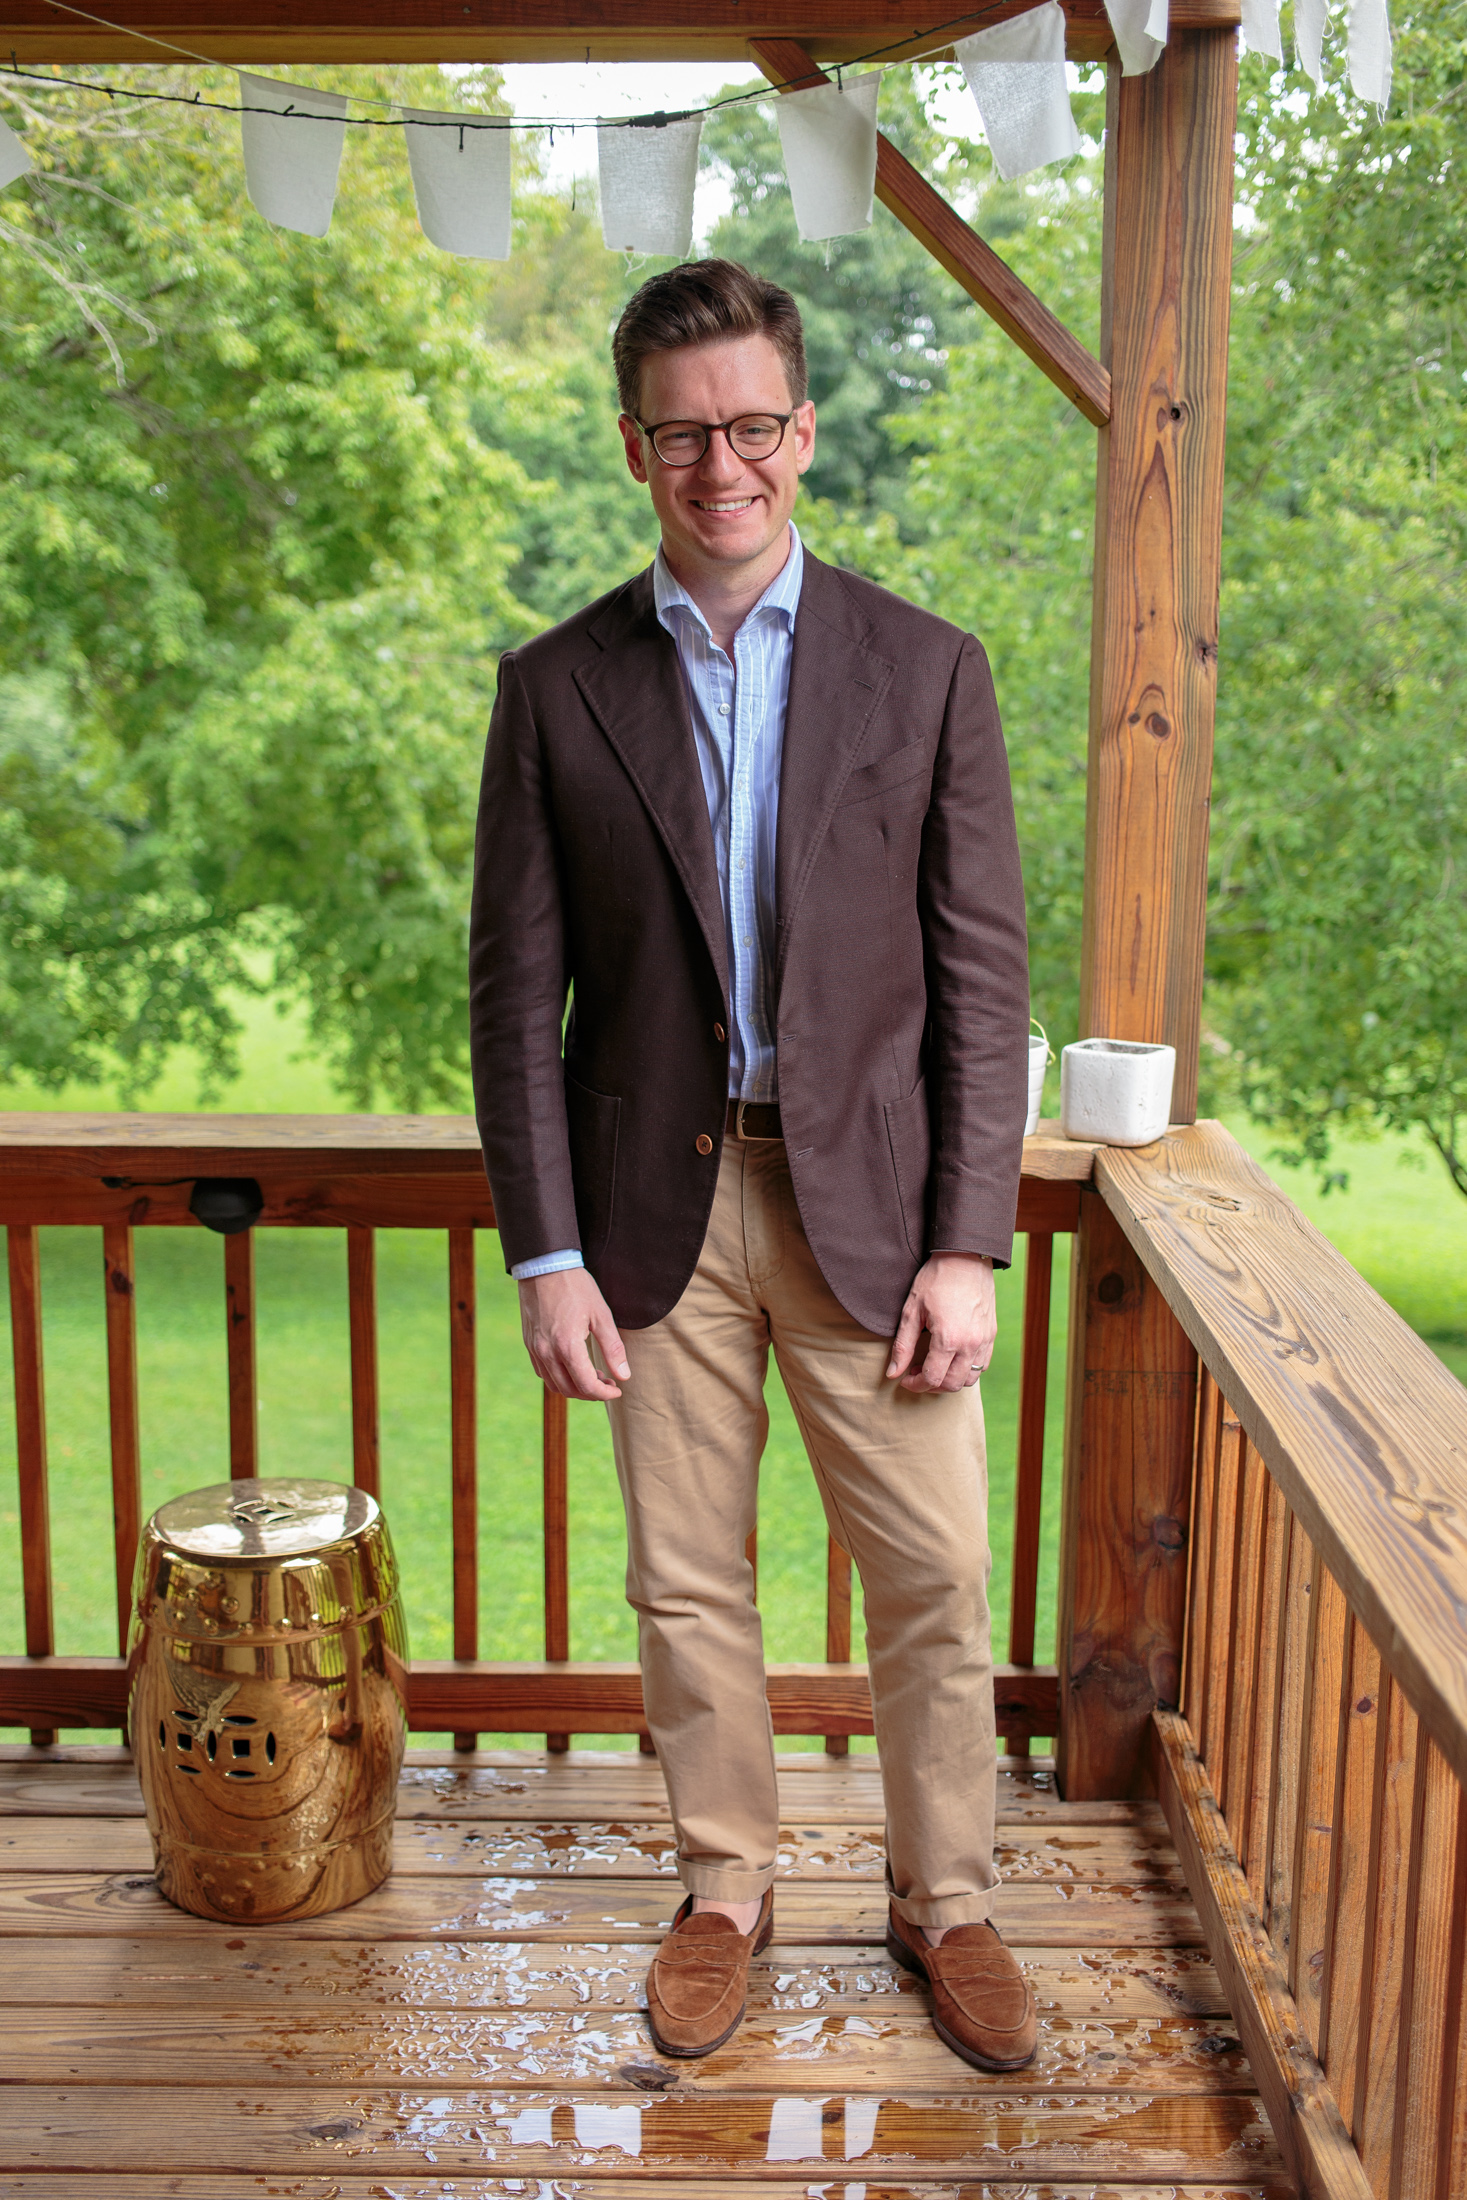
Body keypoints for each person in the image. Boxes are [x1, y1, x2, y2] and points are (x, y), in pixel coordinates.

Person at [469, 258, 1035, 2073]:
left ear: (802, 432)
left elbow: (981, 976)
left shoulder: (930, 669)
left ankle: (946, 1904)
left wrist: (973, 1240)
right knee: (685, 1576)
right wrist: (543, 1251)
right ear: (638, 446)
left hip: (876, 1202)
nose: (726, 463)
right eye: (686, 431)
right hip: (656, 1211)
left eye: (755, 425)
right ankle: (726, 1890)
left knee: (939, 1569)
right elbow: (515, 997)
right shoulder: (555, 689)